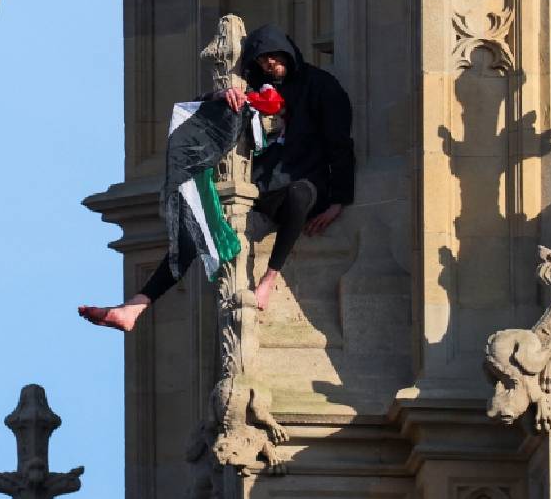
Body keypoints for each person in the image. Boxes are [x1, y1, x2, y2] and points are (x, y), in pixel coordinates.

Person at [79, 24, 354, 329]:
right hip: (261, 190)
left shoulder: (320, 86)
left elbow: (340, 143)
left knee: (298, 195)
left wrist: (339, 200)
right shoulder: (255, 87)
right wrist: (222, 95)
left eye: (274, 58)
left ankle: (269, 278)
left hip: (304, 182)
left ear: (287, 54)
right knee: (198, 228)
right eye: (262, 61)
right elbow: (197, 112)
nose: (269, 66)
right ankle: (134, 307)